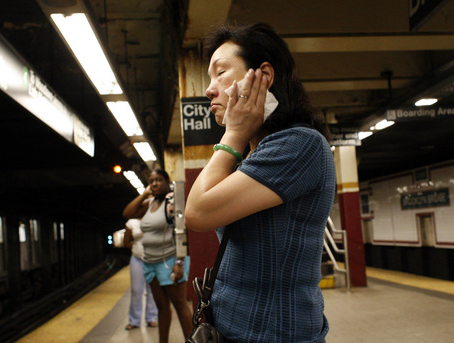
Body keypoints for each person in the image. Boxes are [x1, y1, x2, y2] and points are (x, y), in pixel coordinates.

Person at [185, 23, 336, 342]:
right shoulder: (251, 156)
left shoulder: (300, 145)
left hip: (275, 333)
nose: (209, 90)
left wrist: (233, 135)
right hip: (234, 329)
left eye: (220, 72)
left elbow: (197, 212)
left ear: (263, 76)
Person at [123, 169, 193, 343]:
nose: (154, 183)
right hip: (150, 263)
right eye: (151, 181)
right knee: (162, 308)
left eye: (159, 180)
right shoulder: (149, 203)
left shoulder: (172, 201)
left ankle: (192, 340)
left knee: (180, 305)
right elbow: (128, 213)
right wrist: (144, 194)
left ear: (167, 182)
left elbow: (182, 231)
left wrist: (180, 262)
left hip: (169, 261)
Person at [123, 218, 159, 330]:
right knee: (136, 289)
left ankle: (152, 318)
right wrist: (137, 248)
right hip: (137, 259)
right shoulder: (132, 222)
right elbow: (126, 242)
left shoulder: (155, 218)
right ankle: (134, 320)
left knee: (152, 289)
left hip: (153, 258)